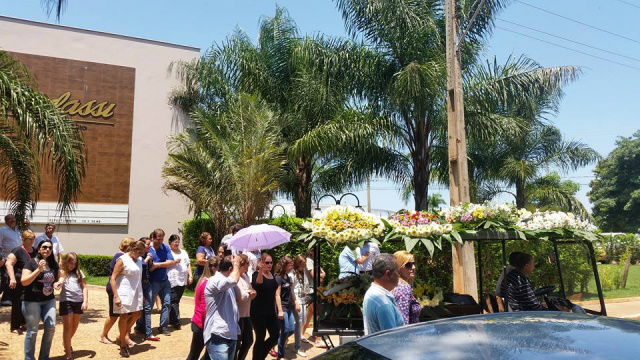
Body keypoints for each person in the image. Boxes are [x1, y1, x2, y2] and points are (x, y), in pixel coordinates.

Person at [21, 238, 60, 360]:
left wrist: (59, 282)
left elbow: (60, 277)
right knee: (32, 332)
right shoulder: (31, 263)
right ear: (39, 249)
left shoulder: (53, 264)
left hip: (49, 300)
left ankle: (44, 357)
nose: (47, 249)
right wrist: (38, 270)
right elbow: (24, 282)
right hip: (32, 301)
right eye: (44, 247)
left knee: (51, 328)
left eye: (49, 247)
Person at [203, 255, 244, 360]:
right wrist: (236, 264)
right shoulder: (215, 280)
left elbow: (239, 297)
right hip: (218, 334)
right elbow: (233, 280)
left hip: (231, 333)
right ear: (231, 269)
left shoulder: (227, 283)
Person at [110, 240, 145, 358]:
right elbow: (113, 278)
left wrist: (142, 294)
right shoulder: (122, 259)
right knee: (124, 317)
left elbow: (138, 278)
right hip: (123, 292)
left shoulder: (139, 260)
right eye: (140, 253)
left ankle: (121, 335)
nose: (141, 255)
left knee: (137, 314)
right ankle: (123, 346)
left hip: (136, 292)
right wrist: (116, 296)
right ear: (134, 250)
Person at [100, 237, 134, 345]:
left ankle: (123, 336)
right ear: (128, 246)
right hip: (115, 289)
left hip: (120, 289)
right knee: (114, 315)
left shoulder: (122, 256)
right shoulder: (120, 256)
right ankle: (103, 335)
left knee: (125, 314)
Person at [54, 252, 88, 359]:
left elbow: (84, 287)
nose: (72, 265)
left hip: (78, 302)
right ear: (66, 262)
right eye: (70, 263)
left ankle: (66, 343)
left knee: (75, 326)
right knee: (68, 328)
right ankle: (68, 352)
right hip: (66, 301)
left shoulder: (79, 273)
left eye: (74, 263)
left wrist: (85, 301)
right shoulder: (62, 272)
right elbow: (60, 280)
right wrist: (58, 284)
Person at [5, 229, 38, 334]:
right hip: (19, 281)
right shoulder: (17, 250)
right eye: (29, 239)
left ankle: (24, 323)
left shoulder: (35, 250)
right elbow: (8, 263)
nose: (31, 241)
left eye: (32, 239)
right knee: (18, 303)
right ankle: (14, 326)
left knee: (28, 302)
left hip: (31, 281)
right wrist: (12, 278)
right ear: (23, 239)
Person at [362, 253, 404, 335]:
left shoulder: (371, 292)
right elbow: (391, 340)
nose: (399, 275)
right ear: (388, 274)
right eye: (397, 271)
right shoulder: (384, 304)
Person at [186, 257, 219, 360]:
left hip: (200, 323)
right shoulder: (207, 283)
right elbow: (204, 308)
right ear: (214, 268)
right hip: (201, 324)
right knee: (194, 355)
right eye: (220, 267)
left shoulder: (204, 280)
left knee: (208, 354)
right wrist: (209, 326)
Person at [148, 228, 178, 336]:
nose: (160, 241)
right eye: (158, 239)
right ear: (152, 238)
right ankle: (142, 326)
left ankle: (163, 326)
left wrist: (157, 265)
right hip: (152, 282)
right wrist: (163, 263)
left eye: (162, 239)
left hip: (165, 280)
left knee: (167, 303)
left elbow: (171, 262)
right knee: (149, 306)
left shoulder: (165, 248)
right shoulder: (148, 248)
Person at [251, 253, 280, 360]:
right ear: (262, 263)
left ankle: (260, 355)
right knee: (260, 337)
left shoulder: (272, 275)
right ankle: (257, 358)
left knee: (275, 335)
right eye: (267, 262)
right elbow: (258, 283)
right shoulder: (256, 274)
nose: (269, 264)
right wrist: (260, 270)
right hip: (258, 312)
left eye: (271, 262)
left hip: (270, 312)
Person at [274, 256, 300, 360]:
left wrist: (296, 302)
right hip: (282, 308)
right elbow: (277, 295)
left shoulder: (287, 277)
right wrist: (280, 310)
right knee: (285, 330)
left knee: (291, 330)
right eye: (290, 265)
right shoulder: (278, 278)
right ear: (285, 265)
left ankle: (278, 341)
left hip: (288, 307)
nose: (292, 267)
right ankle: (280, 354)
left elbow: (290, 292)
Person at [134, 236, 159, 342]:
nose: (150, 246)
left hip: (147, 283)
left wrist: (151, 261)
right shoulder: (138, 256)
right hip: (138, 285)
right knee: (137, 309)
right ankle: (137, 328)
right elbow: (140, 267)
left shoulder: (147, 255)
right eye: (148, 244)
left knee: (148, 308)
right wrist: (148, 259)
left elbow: (150, 268)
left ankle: (148, 333)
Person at [167, 234, 192, 330]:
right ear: (170, 242)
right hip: (172, 279)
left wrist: (190, 275)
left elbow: (188, 264)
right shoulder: (168, 252)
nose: (177, 243)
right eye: (175, 242)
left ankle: (171, 318)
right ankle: (176, 321)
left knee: (176, 300)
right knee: (174, 300)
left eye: (178, 241)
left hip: (182, 279)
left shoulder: (183, 252)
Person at [234, 253, 256, 360]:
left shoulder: (245, 276)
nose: (249, 265)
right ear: (242, 264)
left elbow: (250, 289)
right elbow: (240, 296)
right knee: (236, 344)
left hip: (246, 314)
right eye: (247, 263)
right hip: (237, 316)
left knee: (248, 340)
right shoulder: (236, 276)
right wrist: (249, 293)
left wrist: (251, 293)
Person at [302, 248, 324, 345]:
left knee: (311, 312)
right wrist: (322, 275)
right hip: (311, 289)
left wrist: (321, 275)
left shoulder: (313, 261)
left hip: (312, 288)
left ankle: (301, 333)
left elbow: (321, 274)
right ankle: (318, 339)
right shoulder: (309, 261)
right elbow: (314, 275)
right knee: (317, 312)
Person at [392, 251, 421, 325]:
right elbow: (403, 320)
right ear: (398, 267)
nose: (413, 267)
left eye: (413, 264)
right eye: (408, 265)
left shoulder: (396, 285)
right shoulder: (403, 288)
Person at [1, 214, 22, 307]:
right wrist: (1, 257)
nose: (12, 220)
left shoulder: (19, 230)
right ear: (6, 221)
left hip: (18, 258)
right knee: (6, 278)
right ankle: (5, 299)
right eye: (9, 219)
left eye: (13, 219)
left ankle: (10, 298)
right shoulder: (2, 230)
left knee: (15, 277)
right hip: (6, 258)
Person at [290, 255, 308, 357]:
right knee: (299, 322)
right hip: (296, 300)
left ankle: (284, 339)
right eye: (302, 264)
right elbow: (291, 289)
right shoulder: (292, 273)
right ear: (298, 263)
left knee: (303, 321)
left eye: (304, 264)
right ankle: (297, 347)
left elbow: (303, 285)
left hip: (302, 299)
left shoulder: (302, 272)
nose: (304, 266)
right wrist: (295, 301)